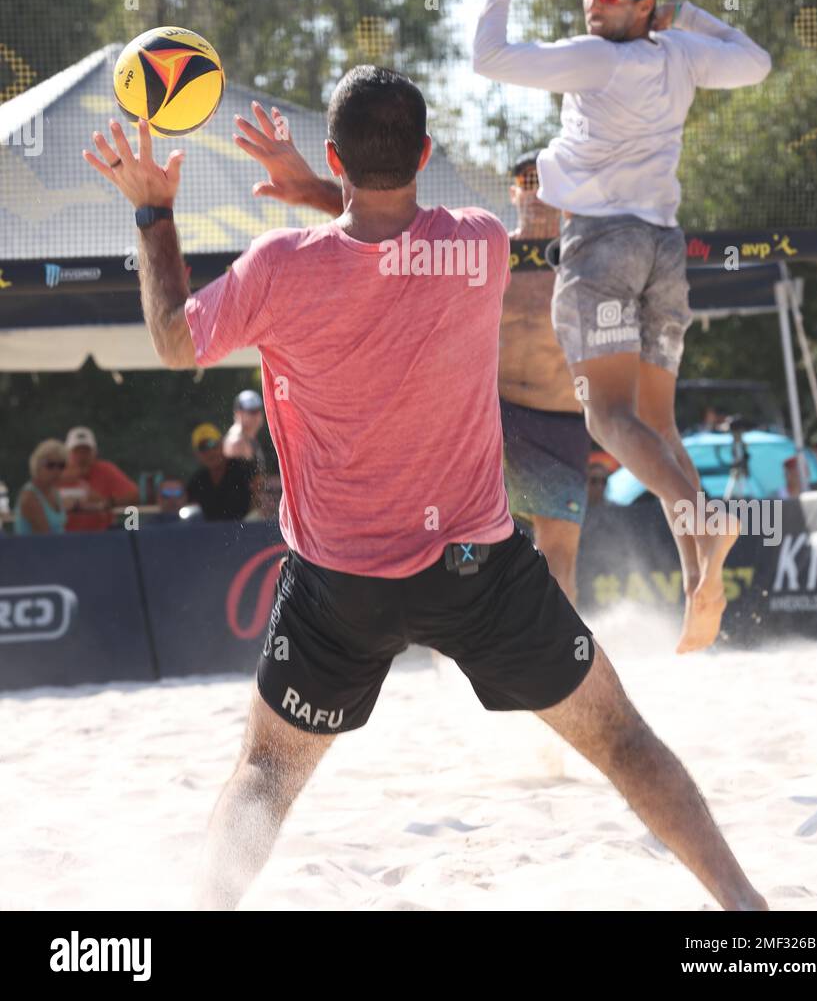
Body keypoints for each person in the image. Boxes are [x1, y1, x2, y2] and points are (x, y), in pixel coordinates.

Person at [81, 79, 766, 914]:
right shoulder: (476, 246)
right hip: (478, 573)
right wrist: (317, 186)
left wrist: (155, 215)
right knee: (623, 740)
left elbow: (172, 337)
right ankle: (748, 919)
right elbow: (385, 230)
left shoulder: (276, 268)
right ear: (428, 157)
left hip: (340, 587)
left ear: (336, 157)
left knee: (265, 777)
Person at [473, 0, 772, 653]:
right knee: (657, 425)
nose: (593, 0)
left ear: (639, 6)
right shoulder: (680, 53)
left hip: (603, 247)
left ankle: (704, 526)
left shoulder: (596, 59)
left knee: (608, 421)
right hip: (664, 251)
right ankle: (701, 568)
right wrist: (684, 17)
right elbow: (758, 62)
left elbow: (489, 57)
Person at [500, 150, 589, 605]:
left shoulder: (583, 261)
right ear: (514, 191)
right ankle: (452, 651)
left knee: (558, 558)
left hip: (561, 419)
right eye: (527, 181)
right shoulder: (490, 253)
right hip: (495, 417)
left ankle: (566, 661)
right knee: (458, 540)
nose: (536, 192)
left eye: (546, 182)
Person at [60, 426, 139, 532]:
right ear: (67, 454)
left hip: (101, 535)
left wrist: (106, 502)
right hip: (63, 537)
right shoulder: (56, 472)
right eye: (77, 451)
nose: (82, 456)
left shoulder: (105, 470)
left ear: (94, 452)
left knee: (132, 526)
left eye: (86, 451)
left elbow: (134, 495)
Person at [186, 424, 254, 522]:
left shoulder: (244, 470)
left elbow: (259, 501)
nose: (210, 452)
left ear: (222, 445)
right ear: (197, 454)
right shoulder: (196, 482)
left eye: (213, 444)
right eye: (202, 448)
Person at [13, 440, 68, 535]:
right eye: (50, 465)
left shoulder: (54, 492)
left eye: (61, 465)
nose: (57, 471)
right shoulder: (29, 497)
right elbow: (46, 539)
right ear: (37, 465)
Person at [223, 390, 267, 473]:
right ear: (238, 413)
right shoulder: (237, 442)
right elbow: (237, 482)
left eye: (259, 410)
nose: (257, 415)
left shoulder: (247, 438)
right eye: (252, 411)